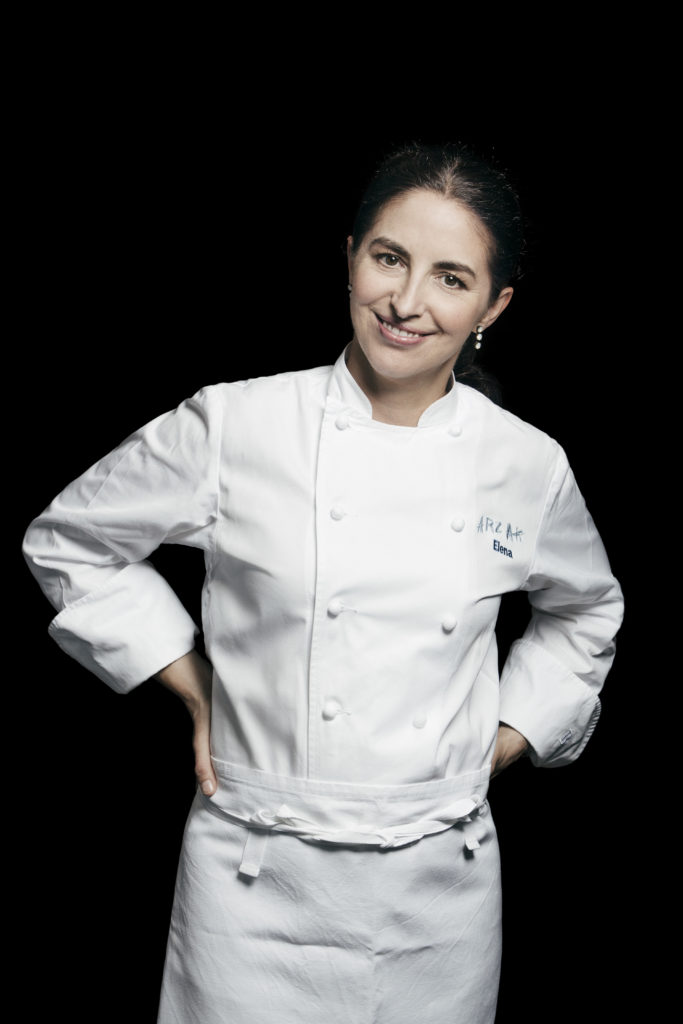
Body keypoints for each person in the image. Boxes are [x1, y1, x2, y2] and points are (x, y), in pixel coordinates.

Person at [23, 143, 624, 1024]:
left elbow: (586, 611)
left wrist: (508, 737)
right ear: (350, 257)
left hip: (440, 886)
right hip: (251, 876)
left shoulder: (525, 463)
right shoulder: (236, 423)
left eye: (449, 278)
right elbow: (71, 541)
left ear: (492, 305)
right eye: (389, 258)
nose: (406, 302)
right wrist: (195, 690)